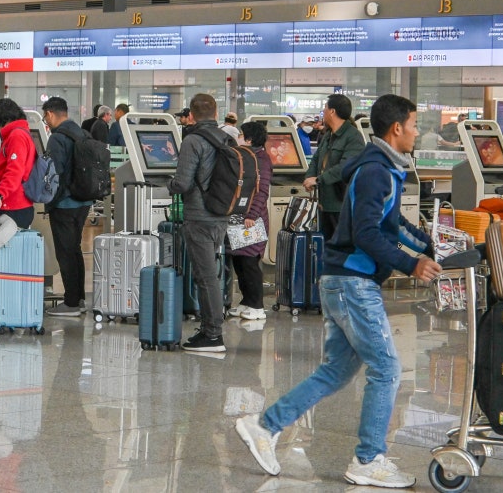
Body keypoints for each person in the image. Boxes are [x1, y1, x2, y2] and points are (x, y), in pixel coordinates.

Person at [235, 94, 441, 489]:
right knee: (386, 369)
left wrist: (429, 244)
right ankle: (368, 459)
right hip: (352, 282)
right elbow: (365, 233)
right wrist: (411, 264)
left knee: (336, 371)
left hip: (345, 280)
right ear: (396, 128)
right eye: (414, 125)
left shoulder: (383, 168)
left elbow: (391, 221)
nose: (417, 132)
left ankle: (264, 426)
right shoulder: (377, 170)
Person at [168, 93, 230, 353]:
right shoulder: (228, 138)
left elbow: (182, 182)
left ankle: (213, 335)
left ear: (191, 116)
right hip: (221, 214)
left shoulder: (193, 140)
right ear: (216, 113)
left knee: (206, 278)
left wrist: (168, 184)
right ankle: (208, 329)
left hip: (199, 215)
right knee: (210, 274)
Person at [0, 98, 36, 317]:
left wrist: (0, 194)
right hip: (12, 206)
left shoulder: (17, 136)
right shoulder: (19, 134)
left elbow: (14, 170)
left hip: (13, 207)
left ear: (5, 120)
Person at [42, 97, 94, 317]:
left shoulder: (57, 138)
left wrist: (49, 201)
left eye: (45, 116)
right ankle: (79, 298)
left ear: (51, 113)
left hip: (64, 203)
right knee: (74, 249)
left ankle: (71, 302)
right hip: (83, 201)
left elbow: (54, 173)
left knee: (65, 251)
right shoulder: (82, 133)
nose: (46, 121)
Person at [226, 121, 272, 322]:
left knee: (250, 262)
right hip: (239, 217)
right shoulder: (245, 156)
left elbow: (262, 192)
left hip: (253, 220)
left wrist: (252, 216)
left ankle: (257, 305)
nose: (238, 138)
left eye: (241, 134)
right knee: (239, 260)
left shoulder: (261, 160)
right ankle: (246, 300)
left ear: (250, 139)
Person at [304, 95, 365, 240]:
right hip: (323, 203)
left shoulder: (353, 136)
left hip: (341, 205)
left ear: (332, 111)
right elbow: (317, 159)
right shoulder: (328, 134)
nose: (323, 111)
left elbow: (345, 166)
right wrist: (309, 177)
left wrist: (318, 180)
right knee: (325, 247)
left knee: (340, 247)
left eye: (325, 108)